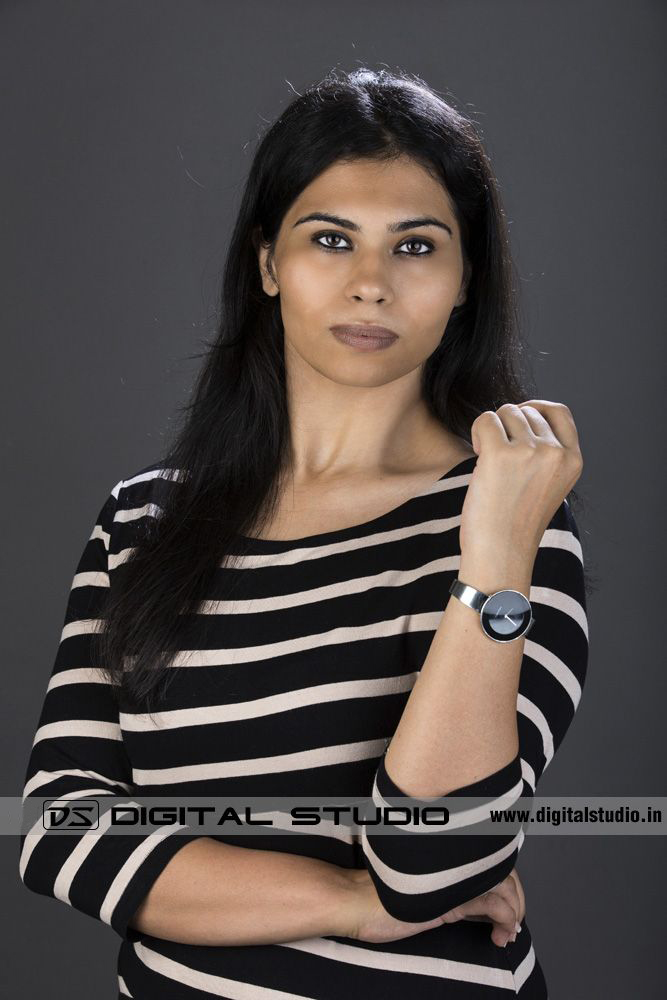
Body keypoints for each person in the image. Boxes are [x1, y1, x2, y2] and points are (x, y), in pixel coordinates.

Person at [19, 66, 590, 998]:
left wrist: (491, 555)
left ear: (461, 280)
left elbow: (431, 866)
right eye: (331, 240)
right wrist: (345, 902)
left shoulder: (512, 518)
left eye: (415, 246)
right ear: (269, 263)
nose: (370, 284)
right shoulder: (140, 521)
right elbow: (64, 832)